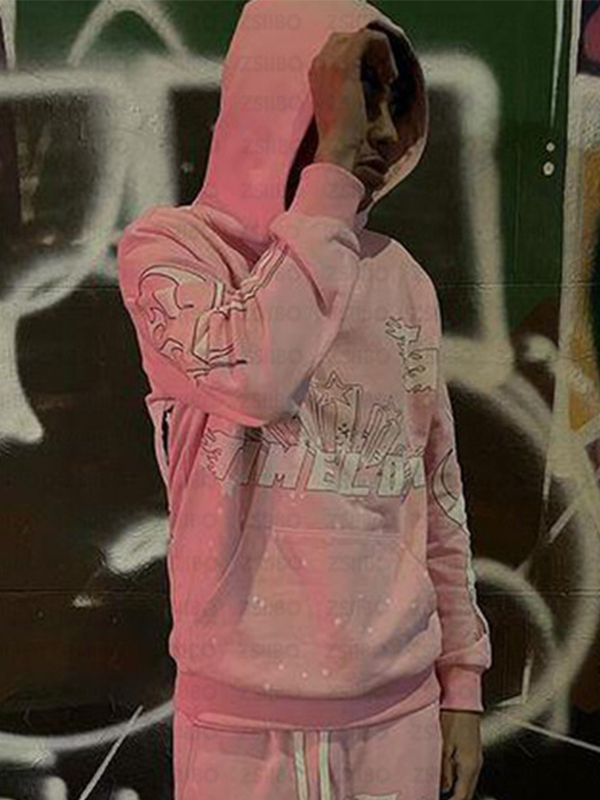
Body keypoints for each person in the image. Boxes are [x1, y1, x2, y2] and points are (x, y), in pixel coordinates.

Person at [117, 1, 492, 798]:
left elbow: (438, 494)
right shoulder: (172, 251)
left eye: (395, 106)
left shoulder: (402, 280)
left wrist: (461, 684)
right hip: (238, 729)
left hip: (397, 717)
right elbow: (255, 375)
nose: (380, 132)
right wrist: (330, 171)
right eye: (361, 98)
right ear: (284, 95)